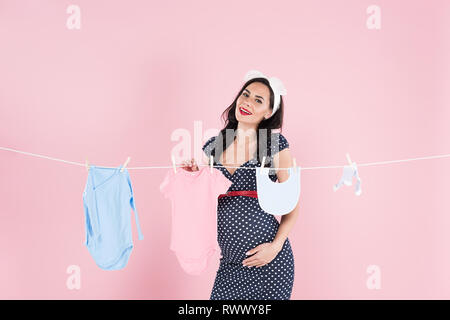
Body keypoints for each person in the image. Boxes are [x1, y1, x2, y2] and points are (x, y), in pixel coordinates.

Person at [180, 70, 300, 300]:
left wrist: (274, 247)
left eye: (258, 100)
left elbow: (291, 204)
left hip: (270, 262)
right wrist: (194, 176)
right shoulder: (213, 146)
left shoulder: (274, 144)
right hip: (230, 264)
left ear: (268, 112)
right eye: (245, 95)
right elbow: (202, 202)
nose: (247, 102)